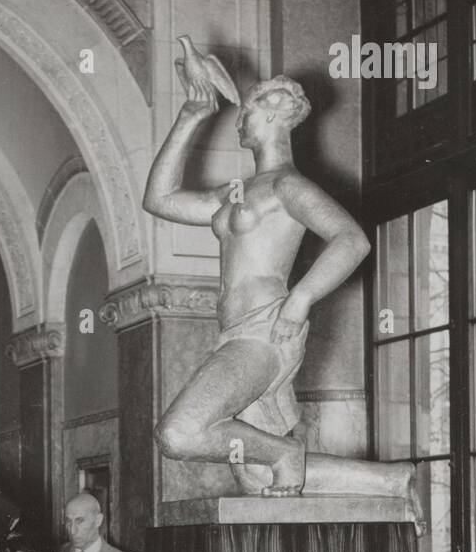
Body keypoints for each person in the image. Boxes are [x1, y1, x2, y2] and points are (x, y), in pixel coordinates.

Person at [143, 41, 424, 523]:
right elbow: (161, 198)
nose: (238, 122)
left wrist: (301, 300)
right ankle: (394, 481)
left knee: (180, 434)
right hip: (234, 337)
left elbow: (351, 240)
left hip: (265, 334)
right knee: (254, 476)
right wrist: (192, 112)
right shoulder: (238, 193)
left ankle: (284, 454)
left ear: (272, 113)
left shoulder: (287, 186)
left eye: (246, 111)